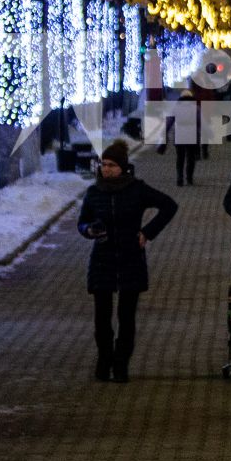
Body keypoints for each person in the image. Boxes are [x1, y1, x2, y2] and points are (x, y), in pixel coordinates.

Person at [76, 141, 178, 382]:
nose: (107, 169)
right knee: (102, 317)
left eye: (112, 165)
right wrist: (89, 230)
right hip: (102, 259)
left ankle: (121, 364)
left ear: (123, 167)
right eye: (104, 165)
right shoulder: (94, 192)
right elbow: (82, 222)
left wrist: (147, 232)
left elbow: (169, 205)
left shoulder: (136, 189)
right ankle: (104, 359)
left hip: (130, 258)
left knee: (126, 316)